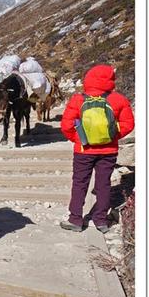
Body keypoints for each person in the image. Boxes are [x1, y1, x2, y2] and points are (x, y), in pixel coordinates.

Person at [59, 65, 134, 233]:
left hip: (83, 151)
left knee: (79, 183)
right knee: (103, 184)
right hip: (108, 151)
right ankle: (100, 221)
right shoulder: (118, 99)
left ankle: (76, 220)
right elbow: (128, 124)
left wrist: (80, 140)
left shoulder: (79, 99)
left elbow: (66, 126)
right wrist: (111, 136)